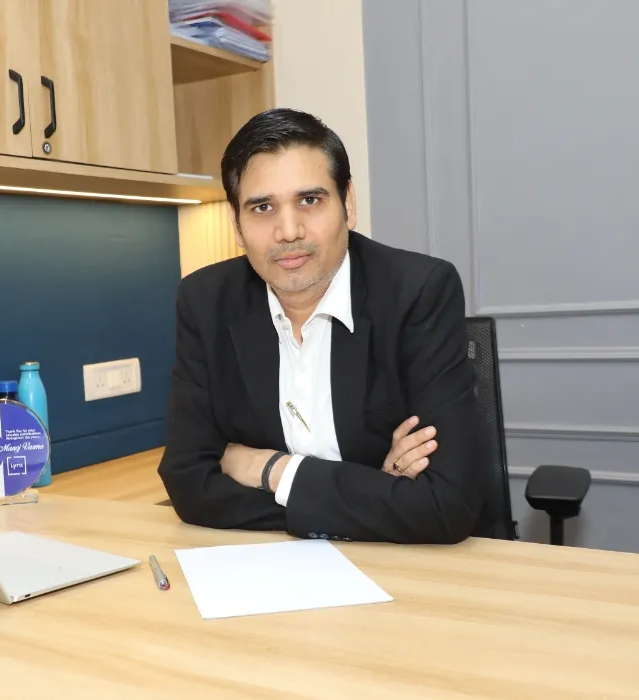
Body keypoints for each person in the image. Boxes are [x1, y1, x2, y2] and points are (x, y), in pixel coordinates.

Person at [157, 108, 484, 544]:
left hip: (406, 566)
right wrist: (374, 491)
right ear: (236, 224)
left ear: (347, 204)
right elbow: (188, 485)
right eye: (262, 207)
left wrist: (267, 469)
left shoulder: (418, 291)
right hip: (270, 562)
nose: (289, 231)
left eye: (309, 200)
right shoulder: (205, 301)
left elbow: (446, 505)